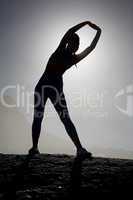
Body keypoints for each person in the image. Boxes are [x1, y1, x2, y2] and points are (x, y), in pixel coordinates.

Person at [29, 21, 102, 159]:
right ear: (69, 43)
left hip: (56, 89)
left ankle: (80, 149)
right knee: (38, 117)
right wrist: (86, 23)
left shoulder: (74, 59)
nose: (77, 46)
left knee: (66, 119)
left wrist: (99, 32)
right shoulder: (60, 49)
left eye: (78, 45)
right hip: (42, 88)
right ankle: (34, 147)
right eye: (75, 43)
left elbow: (91, 47)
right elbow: (70, 30)